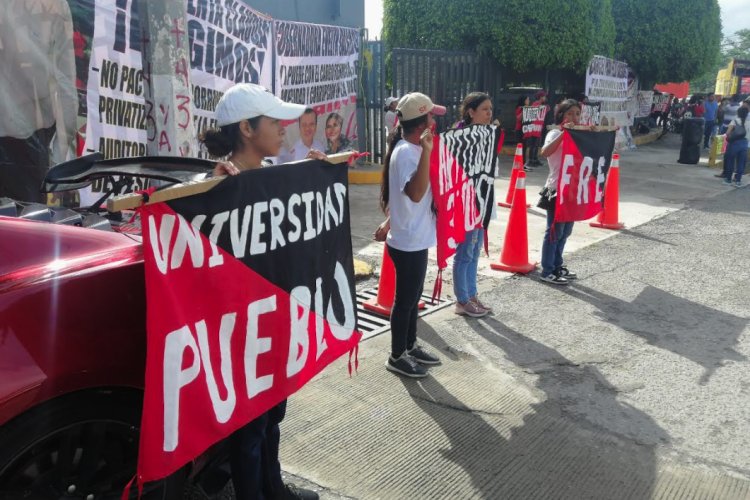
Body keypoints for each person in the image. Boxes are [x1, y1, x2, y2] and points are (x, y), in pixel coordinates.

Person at [199, 83, 319, 500]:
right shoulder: (214, 186)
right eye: (274, 121)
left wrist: (317, 180)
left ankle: (274, 489)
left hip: (274, 326)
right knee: (249, 432)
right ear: (247, 129)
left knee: (273, 418)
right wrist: (208, 192)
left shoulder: (275, 179)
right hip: (239, 338)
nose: (285, 128)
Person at [377, 92, 445, 378]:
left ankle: (410, 345)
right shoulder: (408, 152)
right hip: (408, 243)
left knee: (413, 297)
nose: (434, 120)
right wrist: (427, 152)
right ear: (421, 123)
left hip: (414, 237)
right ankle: (397, 355)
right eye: (431, 116)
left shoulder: (411, 148)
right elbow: (416, 194)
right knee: (405, 302)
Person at [0, 0, 78, 203]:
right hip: (27, 142)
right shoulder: (55, 6)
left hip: (27, 140)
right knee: (24, 228)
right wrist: (61, 160)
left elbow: (65, 85)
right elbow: (65, 83)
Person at [452, 92, 494, 318]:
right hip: (465, 201)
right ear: (471, 112)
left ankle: (471, 294)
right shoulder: (459, 136)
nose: (489, 113)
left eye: (490, 109)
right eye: (485, 109)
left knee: (475, 250)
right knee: (465, 251)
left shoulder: (488, 134)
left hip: (482, 199)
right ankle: (462, 300)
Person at [538, 99, 585, 285]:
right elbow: (545, 152)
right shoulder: (555, 133)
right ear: (561, 116)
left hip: (572, 190)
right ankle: (547, 270)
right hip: (556, 189)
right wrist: (564, 133)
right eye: (570, 113)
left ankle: (557, 265)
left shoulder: (579, 135)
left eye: (577, 114)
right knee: (554, 232)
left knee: (565, 232)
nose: (574, 117)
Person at [721, 106, 748, 188]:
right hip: (744, 143)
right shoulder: (749, 122)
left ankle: (728, 179)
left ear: (738, 113)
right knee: (741, 162)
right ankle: (738, 181)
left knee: (730, 161)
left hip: (734, 143)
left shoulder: (734, 121)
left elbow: (727, 133)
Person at [515, 95, 530, 164]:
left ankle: (523, 162)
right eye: (527, 100)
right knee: (521, 146)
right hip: (519, 129)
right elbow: (518, 118)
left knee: (525, 146)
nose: (528, 101)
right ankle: (520, 161)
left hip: (526, 129)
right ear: (524, 101)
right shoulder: (520, 108)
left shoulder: (528, 108)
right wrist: (524, 110)